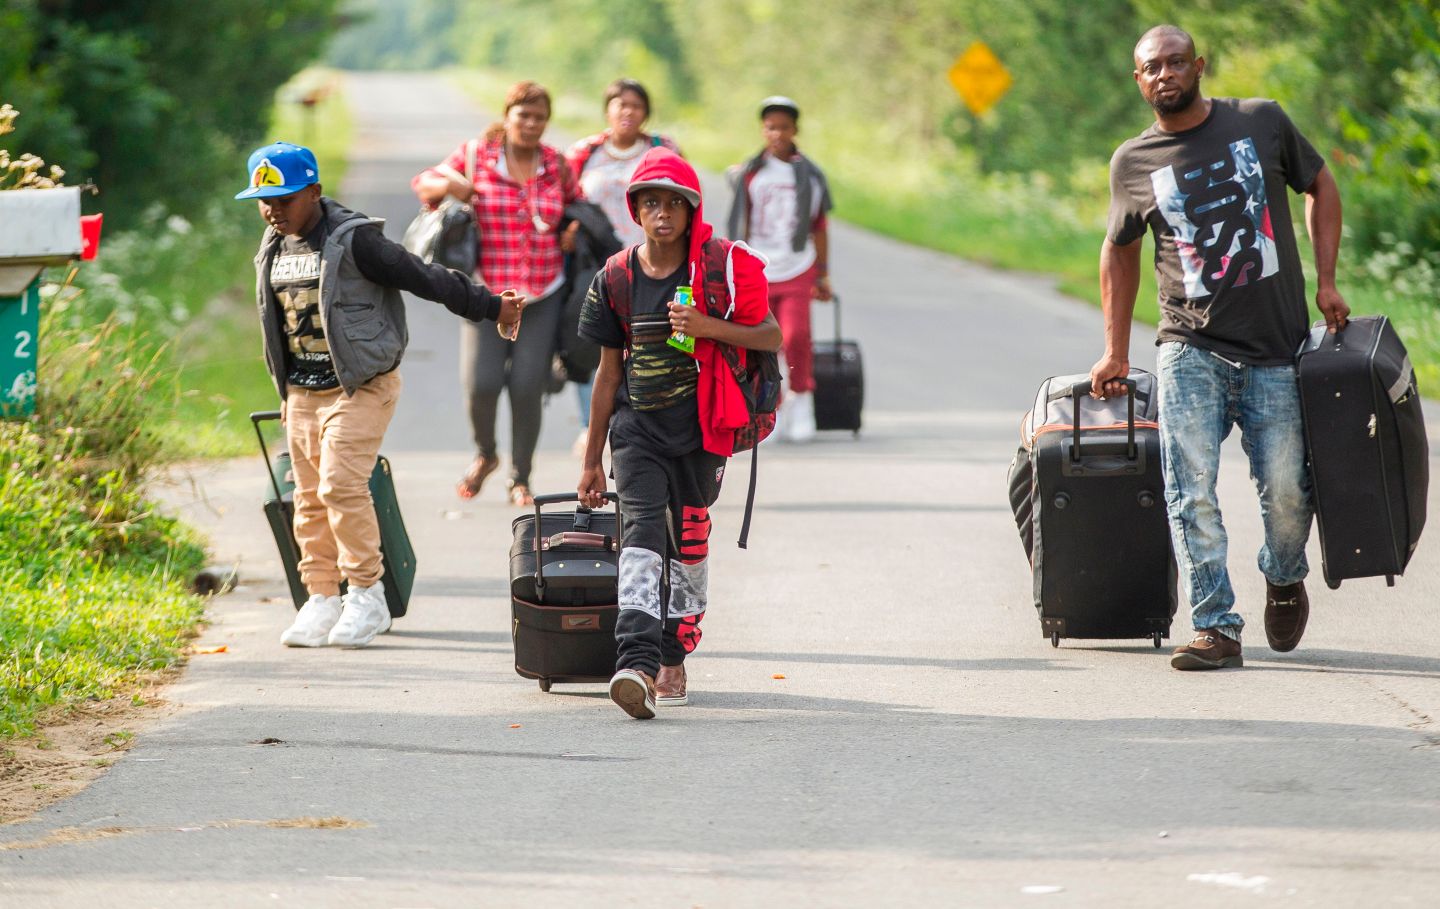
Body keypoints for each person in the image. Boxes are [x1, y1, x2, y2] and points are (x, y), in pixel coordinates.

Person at [1089, 25, 1349, 671]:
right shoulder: (1134, 160)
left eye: (1177, 62)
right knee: (1190, 490)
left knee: (1288, 491)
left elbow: (1321, 186)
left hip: (1275, 346)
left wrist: (1326, 280)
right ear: (1138, 79)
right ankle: (1215, 626)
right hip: (1189, 344)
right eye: (1152, 66)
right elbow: (1118, 249)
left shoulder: (1259, 122)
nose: (1165, 74)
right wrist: (1115, 350)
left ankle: (1284, 577)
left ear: (1199, 65)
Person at [236, 141, 524, 648]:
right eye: (265, 201)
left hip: (361, 385)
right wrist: (285, 390)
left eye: (284, 199)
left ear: (314, 193)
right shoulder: (274, 245)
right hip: (303, 392)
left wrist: (490, 306)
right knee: (305, 499)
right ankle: (321, 598)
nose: (273, 210)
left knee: (339, 486)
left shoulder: (355, 240)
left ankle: (366, 596)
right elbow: (277, 326)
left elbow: (423, 276)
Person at [577, 148, 781, 718]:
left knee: (688, 541)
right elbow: (607, 372)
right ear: (635, 211)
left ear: (692, 211)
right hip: (636, 429)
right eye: (651, 203)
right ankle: (636, 663)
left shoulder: (716, 270)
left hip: (703, 429)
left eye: (674, 203)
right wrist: (592, 459)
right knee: (642, 532)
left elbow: (770, 337)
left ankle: (675, 653)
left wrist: (707, 327)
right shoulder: (615, 277)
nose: (662, 213)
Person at [413, 81, 582, 506]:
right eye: (522, 114)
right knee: (481, 384)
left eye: (539, 117)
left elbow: (578, 205)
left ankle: (521, 477)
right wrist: (455, 185)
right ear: (507, 117)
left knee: (527, 387)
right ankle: (486, 454)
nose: (530, 123)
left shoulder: (556, 164)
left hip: (543, 291)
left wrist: (573, 231)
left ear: (547, 122)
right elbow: (424, 185)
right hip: (487, 293)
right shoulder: (476, 156)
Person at [563, 78, 682, 456]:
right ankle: (591, 425)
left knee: (655, 343)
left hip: (654, 262)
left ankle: (652, 421)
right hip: (599, 267)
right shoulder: (584, 153)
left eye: (636, 105)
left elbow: (684, 200)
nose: (628, 112)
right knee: (595, 346)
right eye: (620, 104)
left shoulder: (663, 149)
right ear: (608, 110)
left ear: (645, 112)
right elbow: (564, 201)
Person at [726, 95, 833, 443]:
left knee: (796, 335)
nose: (777, 133)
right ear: (763, 129)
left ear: (795, 130)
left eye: (784, 127)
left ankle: (801, 400)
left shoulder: (810, 175)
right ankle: (766, 409)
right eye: (771, 127)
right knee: (760, 344)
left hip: (797, 265)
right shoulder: (750, 172)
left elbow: (819, 225)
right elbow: (738, 218)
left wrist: (822, 272)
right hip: (757, 266)